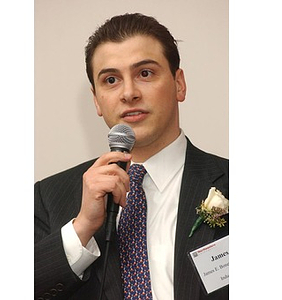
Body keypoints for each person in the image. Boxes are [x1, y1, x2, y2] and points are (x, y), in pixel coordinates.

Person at [34, 13, 229, 300]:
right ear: (97, 100)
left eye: (145, 73)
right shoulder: (49, 197)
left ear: (179, 84)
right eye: (111, 80)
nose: (128, 93)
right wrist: (82, 229)